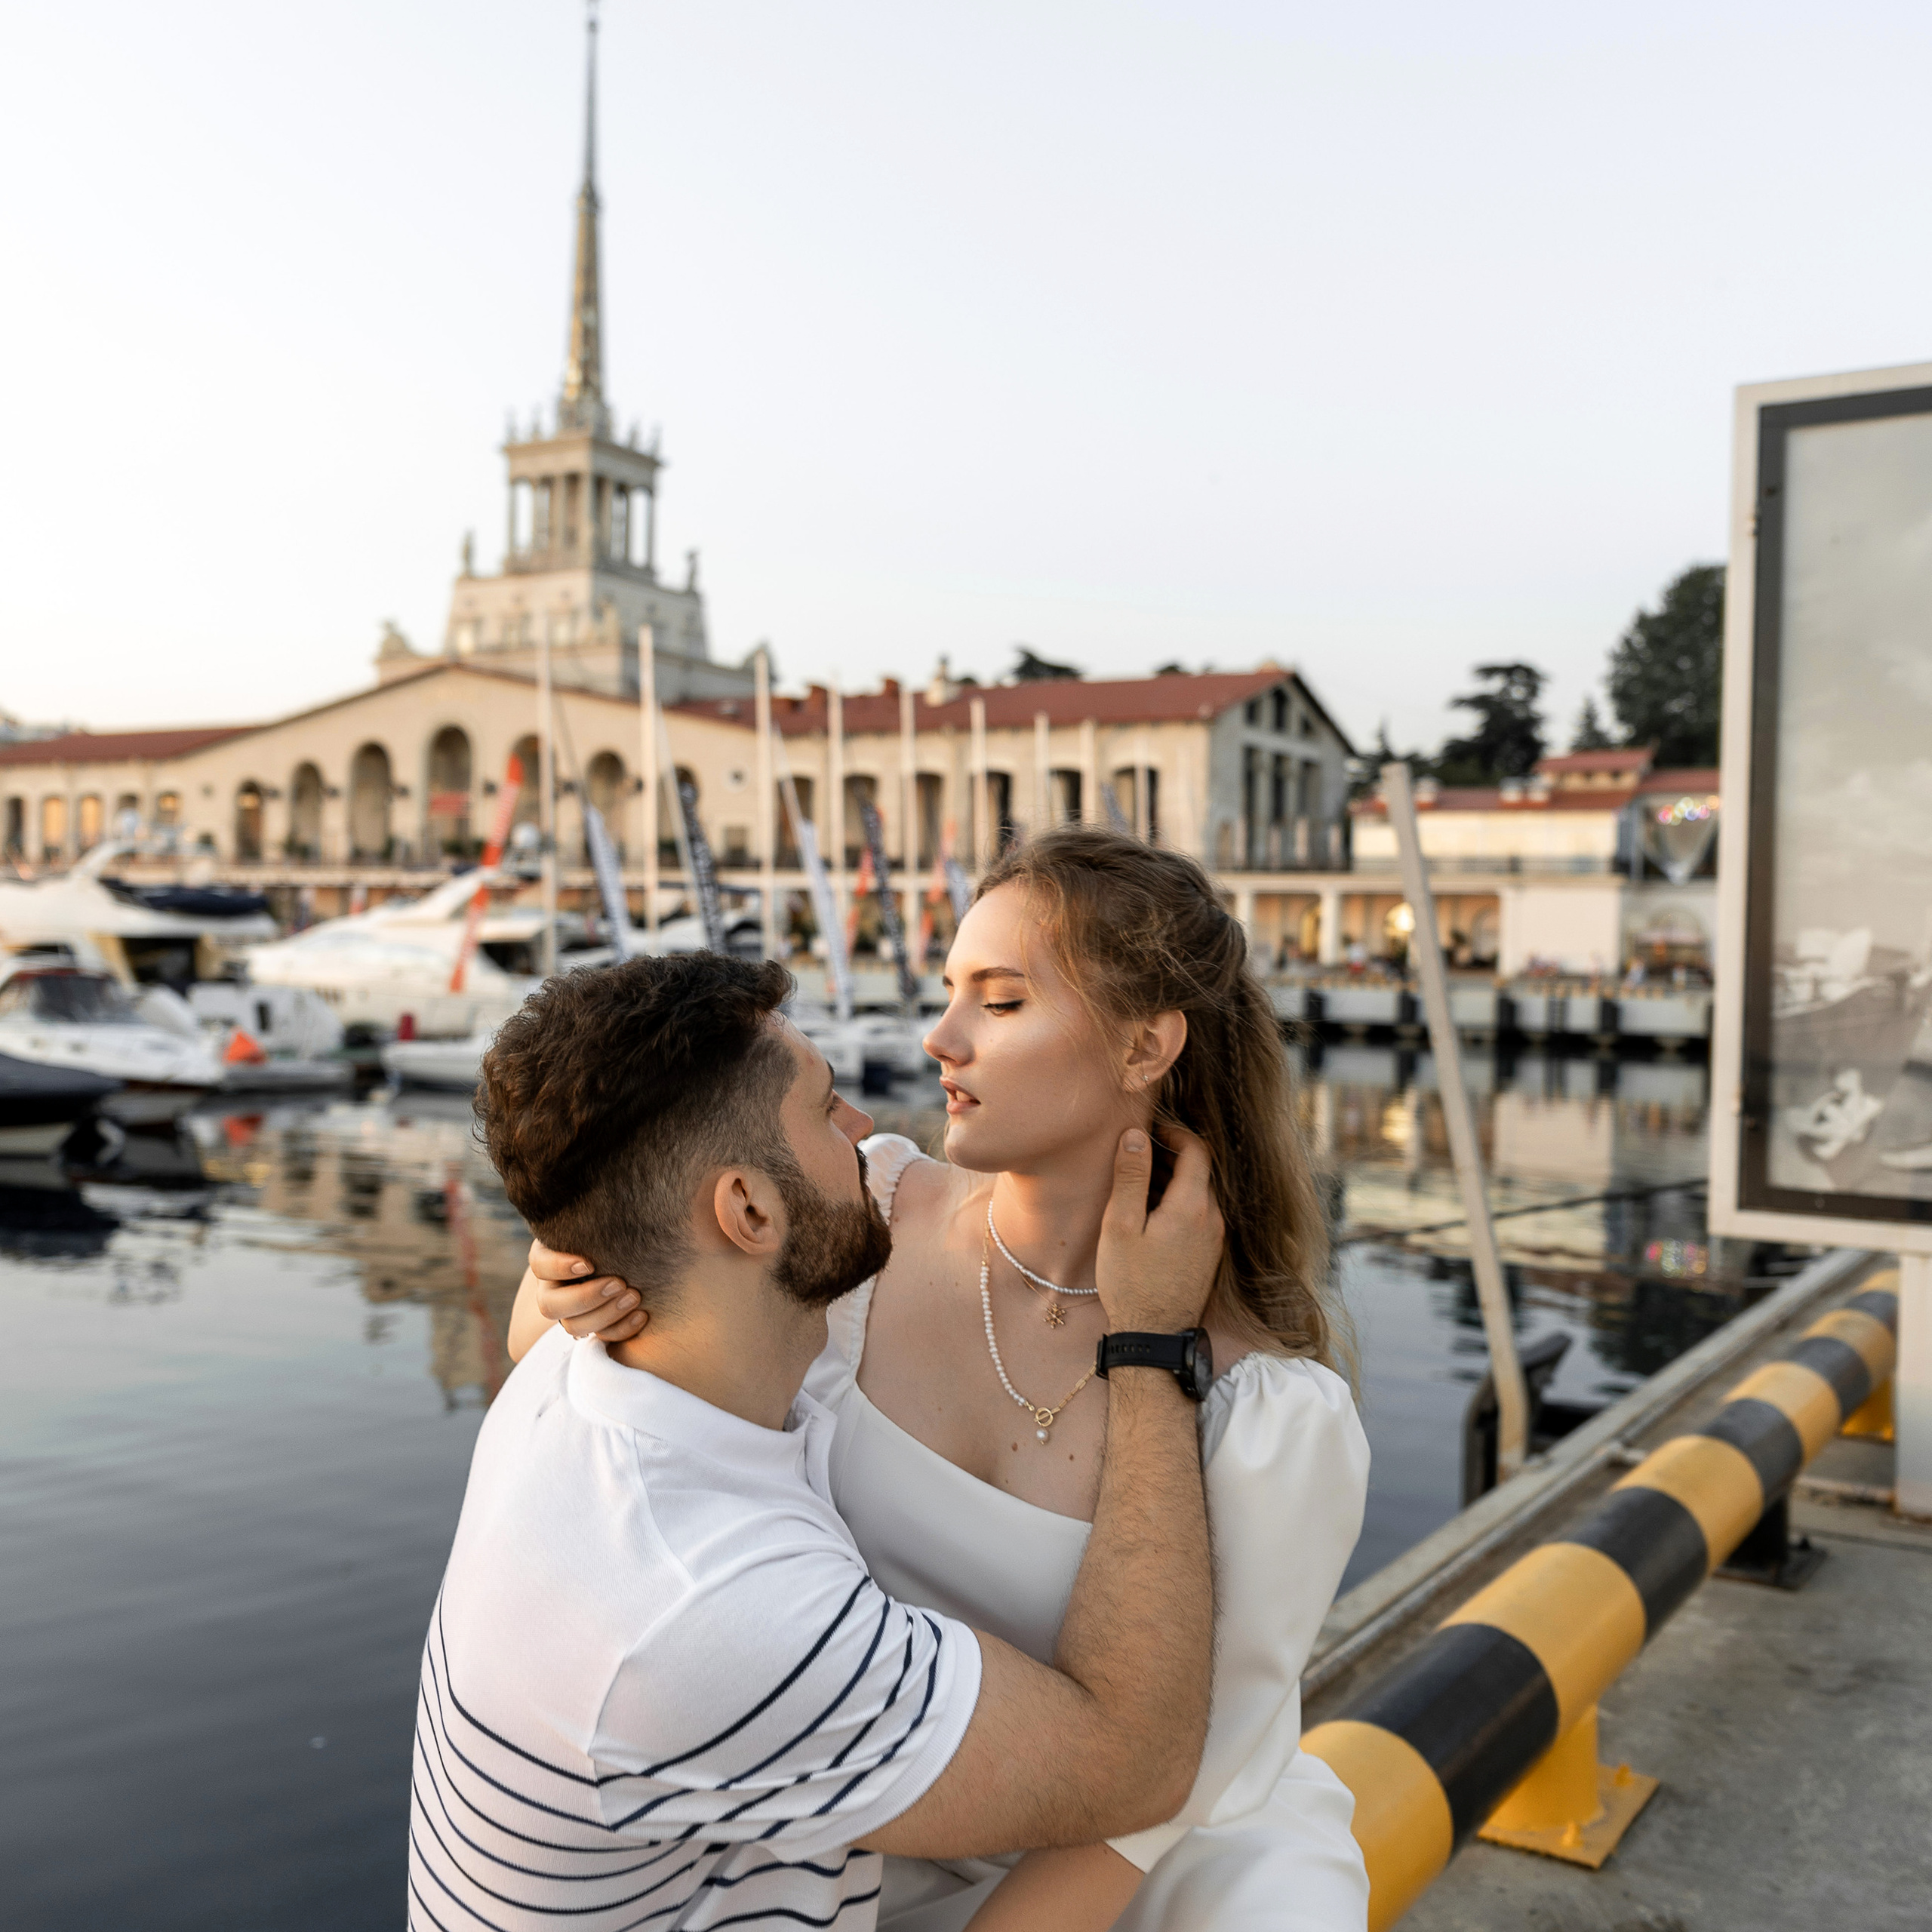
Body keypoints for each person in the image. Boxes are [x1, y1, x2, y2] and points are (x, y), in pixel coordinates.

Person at [521, 828, 1373, 1931]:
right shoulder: (855, 1223)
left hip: (1156, 1866)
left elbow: (1173, 1794)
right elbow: (566, 1373)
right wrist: (569, 1275)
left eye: (1001, 1001)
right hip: (870, 1823)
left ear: (1145, 1046)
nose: (941, 1038)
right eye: (949, 993)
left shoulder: (1272, 1416)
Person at [411, 950, 1226, 1932]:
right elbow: (1137, 1765)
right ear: (749, 1210)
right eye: (828, 1108)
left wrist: (584, 1239)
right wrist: (1150, 1342)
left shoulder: (566, 1376)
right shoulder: (713, 1613)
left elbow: (558, 1288)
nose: (866, 1129)